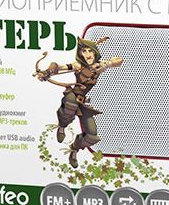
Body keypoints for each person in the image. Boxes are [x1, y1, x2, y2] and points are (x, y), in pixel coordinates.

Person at [35, 37, 123, 167]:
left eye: (90, 51)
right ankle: (62, 126)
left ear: (94, 52)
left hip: (83, 102)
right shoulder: (78, 66)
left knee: (92, 136)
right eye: (84, 51)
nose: (87, 54)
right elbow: (60, 67)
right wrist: (47, 72)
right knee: (70, 106)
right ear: (80, 54)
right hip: (73, 95)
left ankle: (74, 149)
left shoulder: (100, 65)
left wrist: (106, 64)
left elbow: (119, 60)